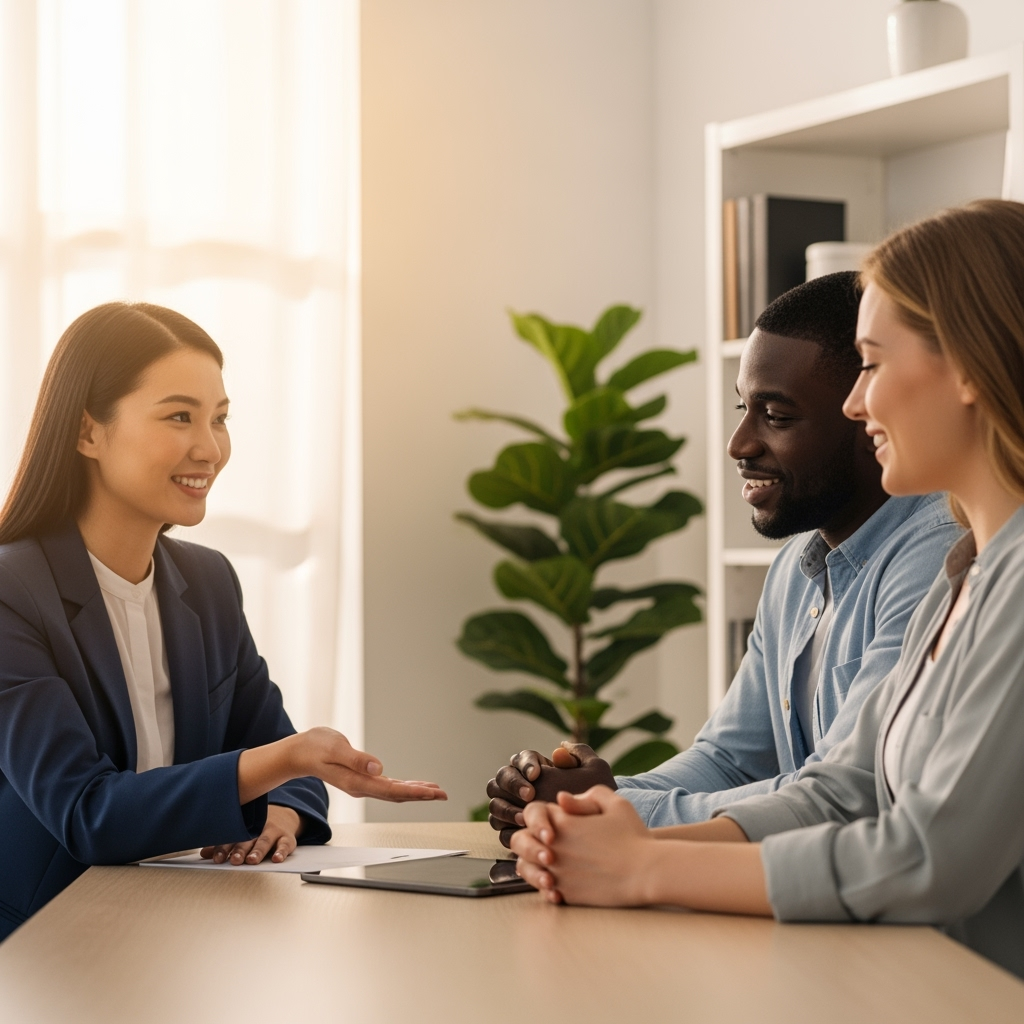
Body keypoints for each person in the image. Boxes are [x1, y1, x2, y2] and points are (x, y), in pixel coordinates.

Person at [512, 199, 1024, 979]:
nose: (859, 402)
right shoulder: (966, 578)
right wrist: (601, 844)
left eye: (875, 364)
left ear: (968, 367)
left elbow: (928, 855)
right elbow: (841, 793)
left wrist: (644, 867)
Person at [0, 302, 446, 941]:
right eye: (179, 416)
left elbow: (278, 758)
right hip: (46, 940)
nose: (209, 448)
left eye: (220, 418)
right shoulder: (12, 590)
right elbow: (86, 813)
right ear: (88, 432)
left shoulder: (206, 583)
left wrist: (282, 813)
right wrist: (284, 762)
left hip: (186, 922)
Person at [486, 272, 960, 846]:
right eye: (744, 407)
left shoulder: (938, 551)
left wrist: (618, 809)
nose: (740, 442)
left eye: (776, 416)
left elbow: (846, 795)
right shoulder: (796, 567)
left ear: (869, 416)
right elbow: (731, 761)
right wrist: (579, 799)